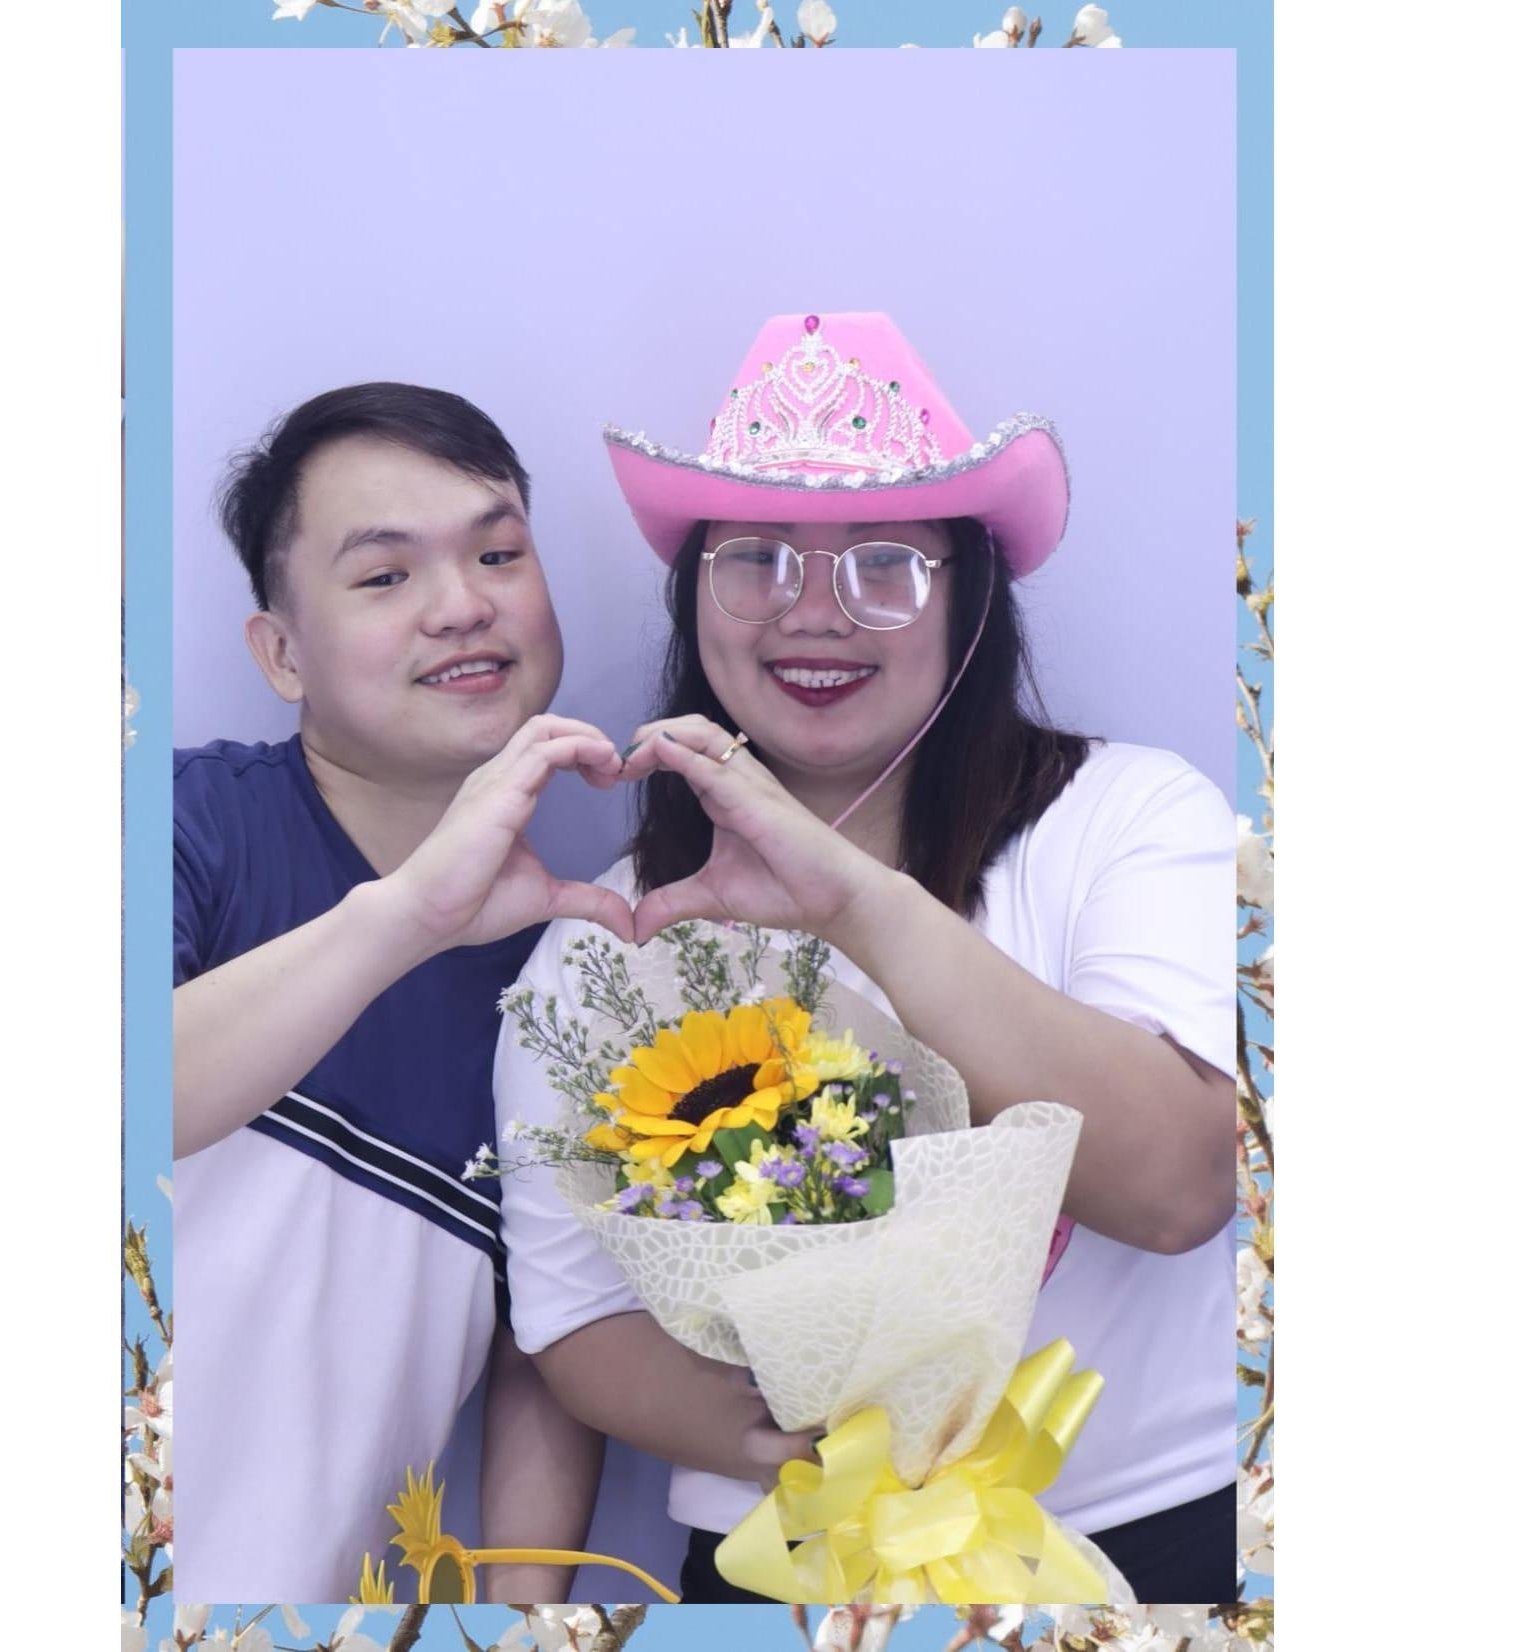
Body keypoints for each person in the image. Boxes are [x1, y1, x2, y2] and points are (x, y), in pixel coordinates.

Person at [494, 313, 1238, 1604]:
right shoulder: (605, 936)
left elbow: (1181, 1185)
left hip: (1149, 1536)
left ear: (970, 599)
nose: (813, 613)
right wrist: (824, 1454)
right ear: (693, 597)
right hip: (783, 1559)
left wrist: (854, 902)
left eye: (885, 564)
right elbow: (570, 1319)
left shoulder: (1128, 816)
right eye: (756, 560)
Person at [171, 382, 635, 1602]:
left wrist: (525, 1613)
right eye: (384, 575)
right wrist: (405, 920)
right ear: (281, 652)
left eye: (497, 553)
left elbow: (547, 1343)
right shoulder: (179, 820)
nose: (462, 604)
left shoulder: (577, 972)